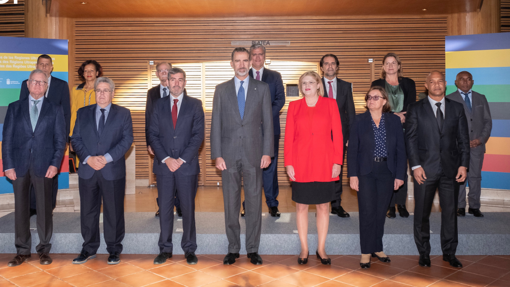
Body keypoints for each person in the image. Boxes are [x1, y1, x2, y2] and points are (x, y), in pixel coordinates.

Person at [210, 47, 273, 266]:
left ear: (251, 62)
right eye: (238, 61)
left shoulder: (262, 88)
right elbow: (215, 124)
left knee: (255, 203)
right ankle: (233, 247)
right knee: (231, 203)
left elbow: (268, 123)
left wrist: (267, 152)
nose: (242, 64)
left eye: (246, 60)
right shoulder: (221, 90)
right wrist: (216, 155)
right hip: (227, 155)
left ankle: (253, 249)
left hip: (255, 154)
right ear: (231, 63)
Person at [405, 70, 469, 268]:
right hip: (424, 170)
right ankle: (424, 252)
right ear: (426, 85)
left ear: (445, 83)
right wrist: (415, 166)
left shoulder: (457, 108)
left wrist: (463, 165)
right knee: (422, 213)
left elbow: (463, 140)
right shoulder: (415, 108)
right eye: (432, 82)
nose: (436, 85)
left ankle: (449, 252)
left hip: (451, 170)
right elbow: (411, 139)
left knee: (450, 212)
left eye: (440, 81)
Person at [3, 69, 66, 267]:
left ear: (47, 86)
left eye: (42, 82)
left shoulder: (55, 109)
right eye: (34, 82)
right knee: (21, 209)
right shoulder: (14, 108)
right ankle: (22, 251)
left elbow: (60, 140)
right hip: (19, 166)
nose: (38, 85)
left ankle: (44, 250)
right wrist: (8, 165)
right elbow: (7, 140)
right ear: (27, 84)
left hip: (45, 166)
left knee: (44, 209)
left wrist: (55, 164)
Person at [71, 77, 134, 265]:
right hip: (88, 170)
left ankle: (114, 249)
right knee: (88, 211)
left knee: (113, 211)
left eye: (106, 90)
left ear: (113, 93)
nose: (102, 94)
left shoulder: (123, 113)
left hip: (112, 170)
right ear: (95, 92)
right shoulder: (82, 113)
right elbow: (75, 139)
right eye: (99, 90)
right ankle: (89, 248)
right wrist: (89, 159)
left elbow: (126, 140)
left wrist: (105, 158)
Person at [285, 71, 343, 265]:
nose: (307, 85)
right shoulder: (294, 106)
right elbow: (289, 138)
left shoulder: (330, 104)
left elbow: (338, 135)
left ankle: (321, 248)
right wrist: (288, 163)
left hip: (325, 163)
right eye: (303, 83)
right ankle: (304, 248)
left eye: (311, 82)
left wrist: (337, 162)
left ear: (319, 84)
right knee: (301, 207)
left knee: (323, 207)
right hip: (300, 163)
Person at [149, 68, 205, 265]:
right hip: (164, 166)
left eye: (180, 80)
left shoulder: (195, 105)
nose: (176, 83)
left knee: (188, 208)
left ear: (185, 82)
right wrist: (166, 158)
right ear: (167, 81)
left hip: (186, 166)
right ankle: (165, 249)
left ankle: (189, 249)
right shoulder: (158, 105)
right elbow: (153, 135)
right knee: (165, 208)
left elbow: (198, 136)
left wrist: (180, 159)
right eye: (173, 79)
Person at [348, 86, 406, 268]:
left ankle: (377, 247)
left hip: (387, 171)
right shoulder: (359, 120)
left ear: (384, 101)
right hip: (365, 171)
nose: (371, 100)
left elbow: (401, 151)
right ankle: (366, 251)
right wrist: (352, 175)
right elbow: (352, 151)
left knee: (381, 211)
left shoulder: (394, 121)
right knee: (367, 211)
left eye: (375, 97)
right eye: (369, 97)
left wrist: (399, 175)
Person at [19, 54, 71, 215]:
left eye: (47, 64)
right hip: (30, 139)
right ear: (36, 65)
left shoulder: (61, 85)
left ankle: (48, 207)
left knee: (50, 173)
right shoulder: (26, 84)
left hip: (53, 138)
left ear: (52, 67)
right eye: (41, 64)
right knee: (30, 173)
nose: (44, 67)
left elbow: (66, 113)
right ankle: (32, 207)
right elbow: (21, 111)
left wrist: (65, 137)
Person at [239, 44, 285, 217]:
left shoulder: (275, 76)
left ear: (264, 56)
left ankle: (272, 203)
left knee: (270, 168)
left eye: (260, 54)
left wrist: (263, 117)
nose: (257, 58)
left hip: (270, 129)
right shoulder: (243, 75)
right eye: (254, 55)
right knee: (249, 167)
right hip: (248, 131)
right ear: (250, 58)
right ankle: (247, 204)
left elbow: (280, 99)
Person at [371, 53, 416, 219]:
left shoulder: (409, 83)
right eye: (387, 63)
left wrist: (403, 115)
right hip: (384, 129)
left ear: (398, 66)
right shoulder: (377, 84)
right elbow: (374, 105)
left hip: (404, 129)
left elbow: (413, 106)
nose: (390, 66)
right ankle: (389, 204)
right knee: (388, 167)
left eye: (393, 63)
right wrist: (394, 115)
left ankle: (402, 203)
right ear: (383, 67)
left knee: (401, 167)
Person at [447, 71, 492, 218]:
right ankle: (460, 206)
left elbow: (487, 122)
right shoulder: (449, 99)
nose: (465, 82)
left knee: (475, 176)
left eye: (468, 79)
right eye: (462, 79)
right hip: (458, 147)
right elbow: (447, 125)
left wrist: (481, 139)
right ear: (456, 82)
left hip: (477, 145)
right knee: (459, 176)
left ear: (472, 82)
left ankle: (474, 206)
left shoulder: (481, 98)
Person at [320, 54, 355, 218]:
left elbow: (351, 113)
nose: (329, 66)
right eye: (326, 64)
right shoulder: (315, 84)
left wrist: (351, 136)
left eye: (333, 64)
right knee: (320, 169)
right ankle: (321, 203)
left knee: (337, 170)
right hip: (319, 135)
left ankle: (336, 204)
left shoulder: (346, 86)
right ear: (321, 67)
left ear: (337, 67)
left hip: (340, 135)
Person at [145, 62, 182, 218]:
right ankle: (163, 206)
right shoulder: (152, 93)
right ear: (157, 74)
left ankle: (180, 205)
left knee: (179, 175)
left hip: (178, 142)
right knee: (162, 176)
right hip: (159, 142)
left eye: (166, 70)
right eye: (160, 70)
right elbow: (148, 118)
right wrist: (149, 142)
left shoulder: (179, 89)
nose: (163, 73)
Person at [70, 60, 103, 170]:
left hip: (98, 133)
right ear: (83, 73)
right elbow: (73, 113)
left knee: (99, 162)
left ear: (97, 73)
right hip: (80, 133)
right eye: (86, 71)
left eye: (92, 70)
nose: (88, 73)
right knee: (83, 164)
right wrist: (71, 137)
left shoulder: (101, 90)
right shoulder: (76, 90)